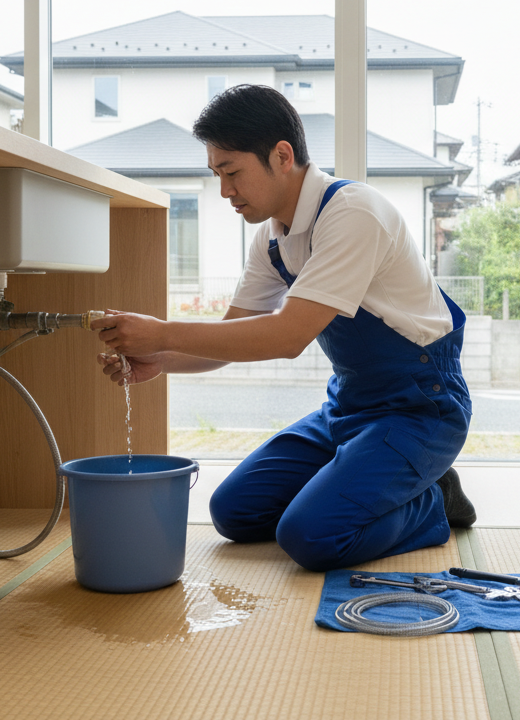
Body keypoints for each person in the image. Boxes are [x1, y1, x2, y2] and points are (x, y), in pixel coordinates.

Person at [92, 84, 475, 572]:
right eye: (216, 175)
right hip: (348, 407)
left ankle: (435, 499)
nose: (225, 191)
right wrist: (161, 362)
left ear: (281, 155)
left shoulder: (353, 213)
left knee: (311, 536)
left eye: (232, 172)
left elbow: (287, 336)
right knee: (233, 512)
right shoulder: (272, 240)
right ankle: (370, 481)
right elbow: (233, 335)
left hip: (420, 409)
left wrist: (162, 332)